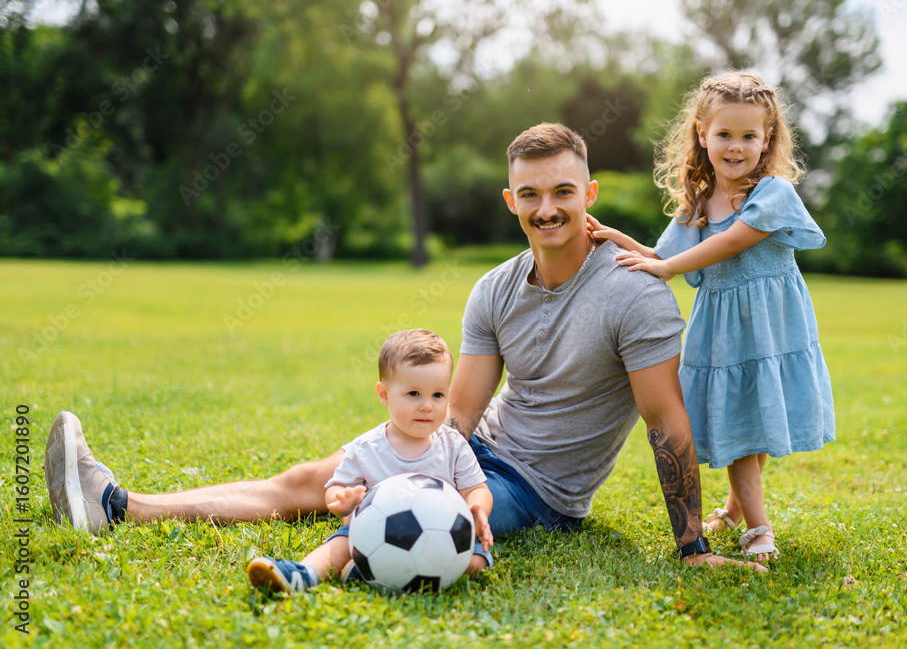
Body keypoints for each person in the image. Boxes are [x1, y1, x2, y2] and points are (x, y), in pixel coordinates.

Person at [45, 122, 762, 572]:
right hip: (473, 448)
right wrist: (399, 458)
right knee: (313, 481)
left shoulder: (634, 293)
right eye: (532, 194)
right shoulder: (493, 289)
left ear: (590, 191)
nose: (549, 208)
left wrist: (693, 547)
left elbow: (666, 423)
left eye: (564, 191)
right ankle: (120, 505)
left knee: (383, 512)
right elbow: (460, 413)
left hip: (540, 491)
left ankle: (305, 567)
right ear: (510, 200)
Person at [588, 72, 836, 561]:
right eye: (724, 134)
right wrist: (618, 239)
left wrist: (665, 264)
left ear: (768, 139)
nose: (736, 146)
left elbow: (735, 241)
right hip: (722, 330)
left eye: (749, 135)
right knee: (745, 418)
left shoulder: (772, 192)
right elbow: (662, 259)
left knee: (754, 417)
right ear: (702, 134)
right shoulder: (699, 204)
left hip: (770, 326)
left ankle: (757, 527)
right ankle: (743, 512)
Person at [246, 328, 494, 594]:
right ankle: (302, 574)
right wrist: (342, 501)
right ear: (384, 394)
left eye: (437, 395)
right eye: (413, 394)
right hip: (372, 534)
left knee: (477, 561)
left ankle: (368, 573)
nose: (426, 406)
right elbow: (336, 488)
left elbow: (477, 489)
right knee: (340, 545)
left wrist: (477, 507)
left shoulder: (453, 444)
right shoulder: (366, 448)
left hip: (439, 535)